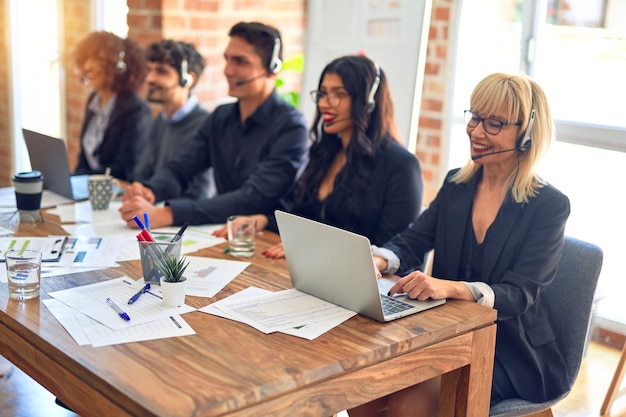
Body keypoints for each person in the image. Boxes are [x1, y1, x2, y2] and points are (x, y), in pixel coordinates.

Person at [349, 73, 571, 417]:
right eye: (475, 117)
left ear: (526, 135)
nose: (477, 132)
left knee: (410, 400)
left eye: (494, 123)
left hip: (511, 349)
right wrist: (377, 261)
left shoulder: (549, 206)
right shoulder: (457, 184)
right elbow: (413, 239)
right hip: (447, 332)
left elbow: (520, 293)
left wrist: (450, 287)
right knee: (362, 391)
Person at [216, 55, 423, 259]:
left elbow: (394, 251)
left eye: (338, 94)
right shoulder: (326, 152)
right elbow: (303, 219)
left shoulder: (401, 166)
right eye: (322, 94)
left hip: (363, 282)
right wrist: (262, 220)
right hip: (315, 273)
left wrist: (311, 247)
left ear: (368, 102)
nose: (324, 103)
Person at [118, 22, 308, 229]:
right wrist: (152, 190)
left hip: (268, 239)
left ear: (272, 69)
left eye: (241, 62)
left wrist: (168, 214)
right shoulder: (221, 117)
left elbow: (252, 198)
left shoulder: (292, 127)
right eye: (227, 59)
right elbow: (183, 167)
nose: (228, 70)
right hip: (224, 232)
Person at [134, 40, 211, 200]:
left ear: (188, 80)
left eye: (161, 72)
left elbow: (201, 194)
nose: (150, 78)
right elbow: (141, 176)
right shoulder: (159, 121)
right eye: (150, 70)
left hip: (181, 220)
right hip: (153, 212)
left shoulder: (206, 125)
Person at [71, 31, 152, 182]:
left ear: (118, 67)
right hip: (90, 188)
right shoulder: (93, 100)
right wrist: (72, 181)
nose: (89, 66)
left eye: (98, 60)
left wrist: (85, 180)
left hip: (115, 192)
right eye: (87, 59)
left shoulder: (136, 110)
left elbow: (125, 170)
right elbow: (84, 157)